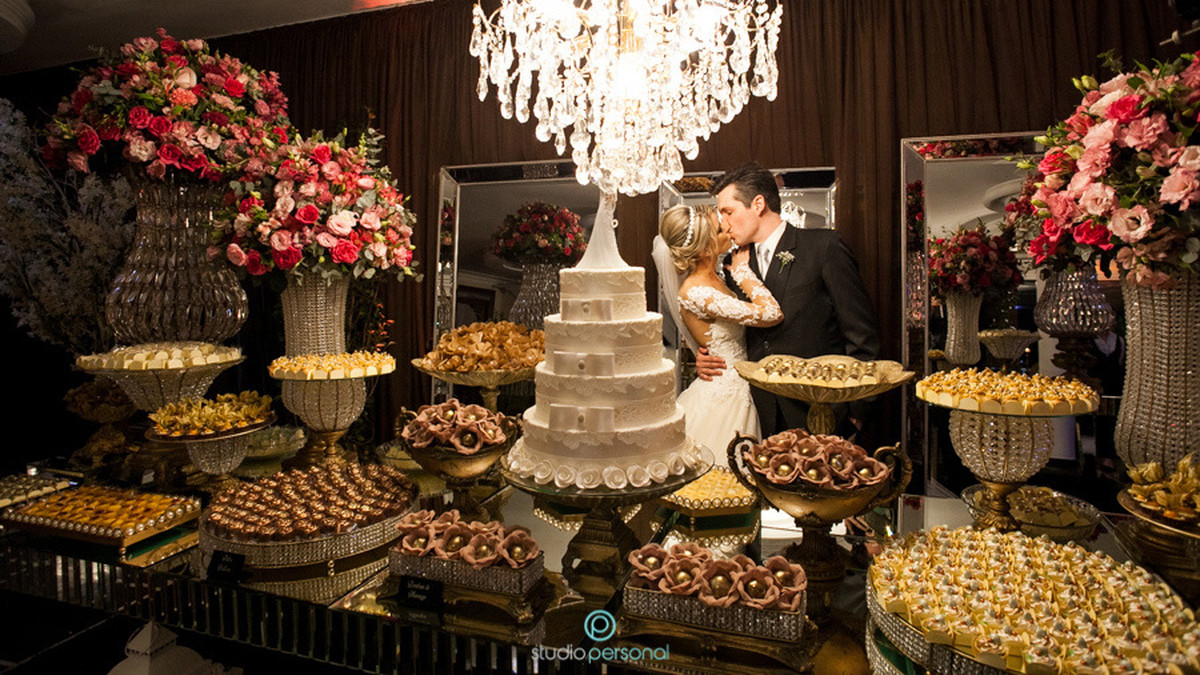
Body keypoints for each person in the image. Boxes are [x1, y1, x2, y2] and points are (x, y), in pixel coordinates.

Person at [697, 162, 880, 437]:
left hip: (823, 411)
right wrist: (708, 356)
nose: (723, 222)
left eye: (728, 211)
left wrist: (856, 411)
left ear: (758, 204)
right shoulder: (732, 267)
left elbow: (862, 334)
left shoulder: (824, 248)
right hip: (758, 412)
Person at [653, 204, 783, 457]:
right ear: (704, 248)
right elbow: (771, 314)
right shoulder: (696, 292)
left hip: (740, 382)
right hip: (726, 392)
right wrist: (745, 274)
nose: (729, 229)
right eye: (721, 229)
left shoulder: (719, 276)